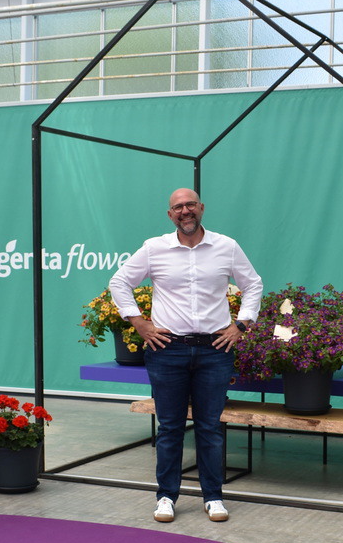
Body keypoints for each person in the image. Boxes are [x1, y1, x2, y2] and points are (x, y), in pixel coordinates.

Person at [109, 188, 263, 523]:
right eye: (178, 207)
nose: (185, 211)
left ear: (201, 208)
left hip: (215, 349)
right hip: (167, 350)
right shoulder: (155, 248)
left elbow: (253, 284)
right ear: (170, 215)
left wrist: (241, 325)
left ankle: (214, 497)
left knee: (210, 427)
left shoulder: (226, 246)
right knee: (169, 428)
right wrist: (139, 322)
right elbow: (119, 282)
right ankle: (166, 496)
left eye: (190, 204)